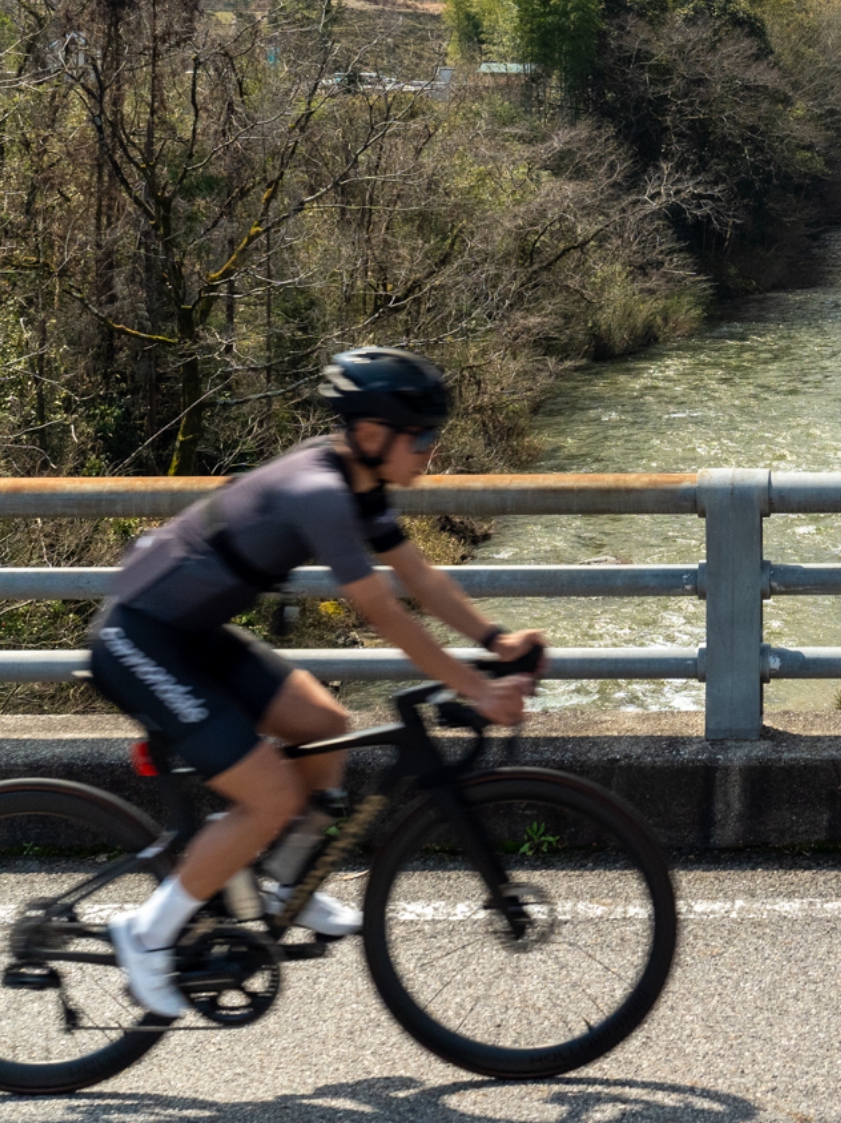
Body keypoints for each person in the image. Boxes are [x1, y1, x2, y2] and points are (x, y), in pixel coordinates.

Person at [88, 347, 546, 1018]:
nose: (430, 449)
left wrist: (494, 641)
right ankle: (146, 934)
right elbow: (382, 609)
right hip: (137, 641)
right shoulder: (321, 493)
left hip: (190, 635)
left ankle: (281, 879)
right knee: (268, 795)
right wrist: (476, 688)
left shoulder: (360, 485)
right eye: (421, 436)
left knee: (326, 723)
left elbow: (419, 577)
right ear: (371, 433)